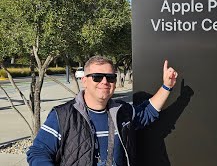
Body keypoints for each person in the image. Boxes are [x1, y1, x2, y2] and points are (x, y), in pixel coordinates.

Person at [26, 55, 178, 166]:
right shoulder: (62, 115)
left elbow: (148, 112)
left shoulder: (123, 112)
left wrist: (167, 86)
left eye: (110, 77)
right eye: (97, 77)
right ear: (84, 81)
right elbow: (38, 152)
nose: (104, 82)